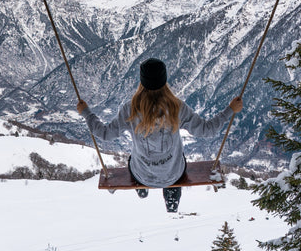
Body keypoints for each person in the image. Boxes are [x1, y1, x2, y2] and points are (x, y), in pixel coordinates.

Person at [77, 57, 243, 212]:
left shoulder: (131, 109)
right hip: (174, 173)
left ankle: (142, 187)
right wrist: (230, 110)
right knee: (177, 162)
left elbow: (105, 134)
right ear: (164, 81)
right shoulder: (177, 107)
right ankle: (171, 195)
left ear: (142, 82)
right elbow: (207, 130)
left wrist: (86, 113)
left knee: (133, 159)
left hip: (141, 173)